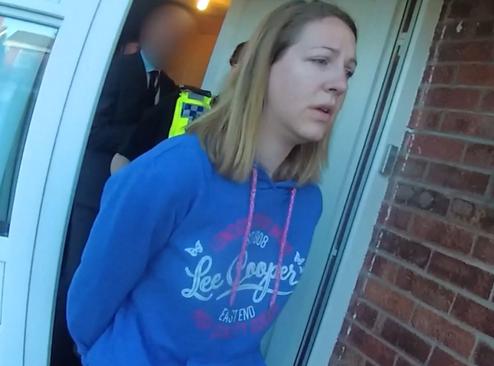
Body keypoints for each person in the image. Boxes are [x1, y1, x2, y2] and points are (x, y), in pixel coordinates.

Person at [66, 1, 357, 365]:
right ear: (264, 66)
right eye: (320, 60)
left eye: (349, 71)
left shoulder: (307, 204)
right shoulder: (175, 171)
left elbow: (243, 330)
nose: (339, 84)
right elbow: (88, 309)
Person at [50, 2, 196, 365]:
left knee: (111, 277)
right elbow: (92, 130)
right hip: (93, 192)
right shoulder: (116, 69)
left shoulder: (170, 88)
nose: (173, 41)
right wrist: (141, 137)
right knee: (77, 276)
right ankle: (58, 353)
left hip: (131, 201)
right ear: (150, 31)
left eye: (181, 37)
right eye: (169, 32)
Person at [110, 41, 248, 174]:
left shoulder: (258, 137)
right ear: (234, 65)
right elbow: (123, 156)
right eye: (248, 67)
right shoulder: (184, 102)